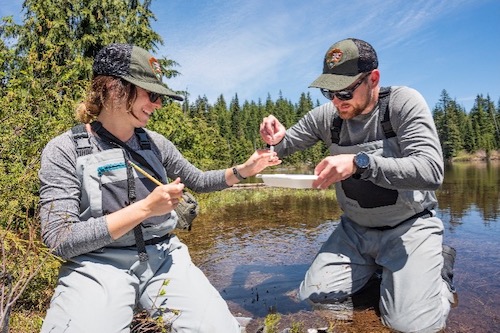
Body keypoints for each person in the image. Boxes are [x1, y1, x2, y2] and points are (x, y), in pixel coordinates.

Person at [38, 43, 281, 333]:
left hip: (165, 256)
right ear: (115, 89)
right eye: (151, 95)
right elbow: (59, 238)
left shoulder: (155, 143)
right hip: (96, 264)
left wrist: (246, 169)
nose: (159, 104)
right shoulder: (65, 149)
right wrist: (144, 209)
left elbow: (200, 181)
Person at [259, 38, 457, 332]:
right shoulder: (328, 116)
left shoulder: (403, 104)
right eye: (329, 92)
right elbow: (277, 150)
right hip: (354, 232)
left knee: (409, 325)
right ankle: (381, 271)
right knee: (312, 296)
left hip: (409, 228)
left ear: (373, 78)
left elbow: (431, 171)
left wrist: (359, 163)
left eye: (345, 92)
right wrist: (272, 139)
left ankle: (437, 269)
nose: (337, 101)